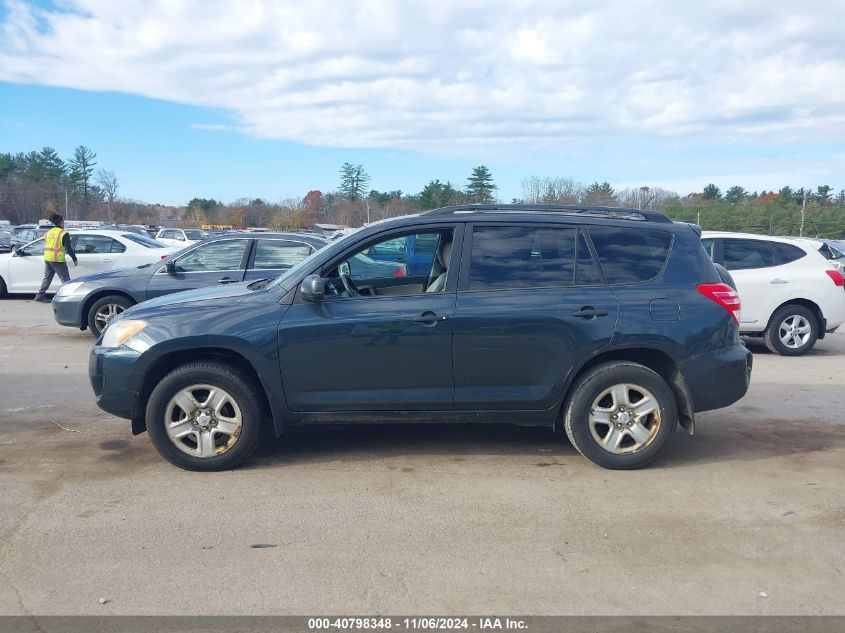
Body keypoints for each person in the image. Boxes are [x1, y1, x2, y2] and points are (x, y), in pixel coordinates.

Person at [33, 213, 77, 303]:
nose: (64, 223)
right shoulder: (64, 233)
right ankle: (69, 297)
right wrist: (74, 258)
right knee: (65, 279)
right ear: (61, 222)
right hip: (57, 259)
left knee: (47, 277)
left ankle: (40, 295)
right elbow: (68, 249)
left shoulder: (49, 232)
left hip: (48, 258)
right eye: (63, 221)